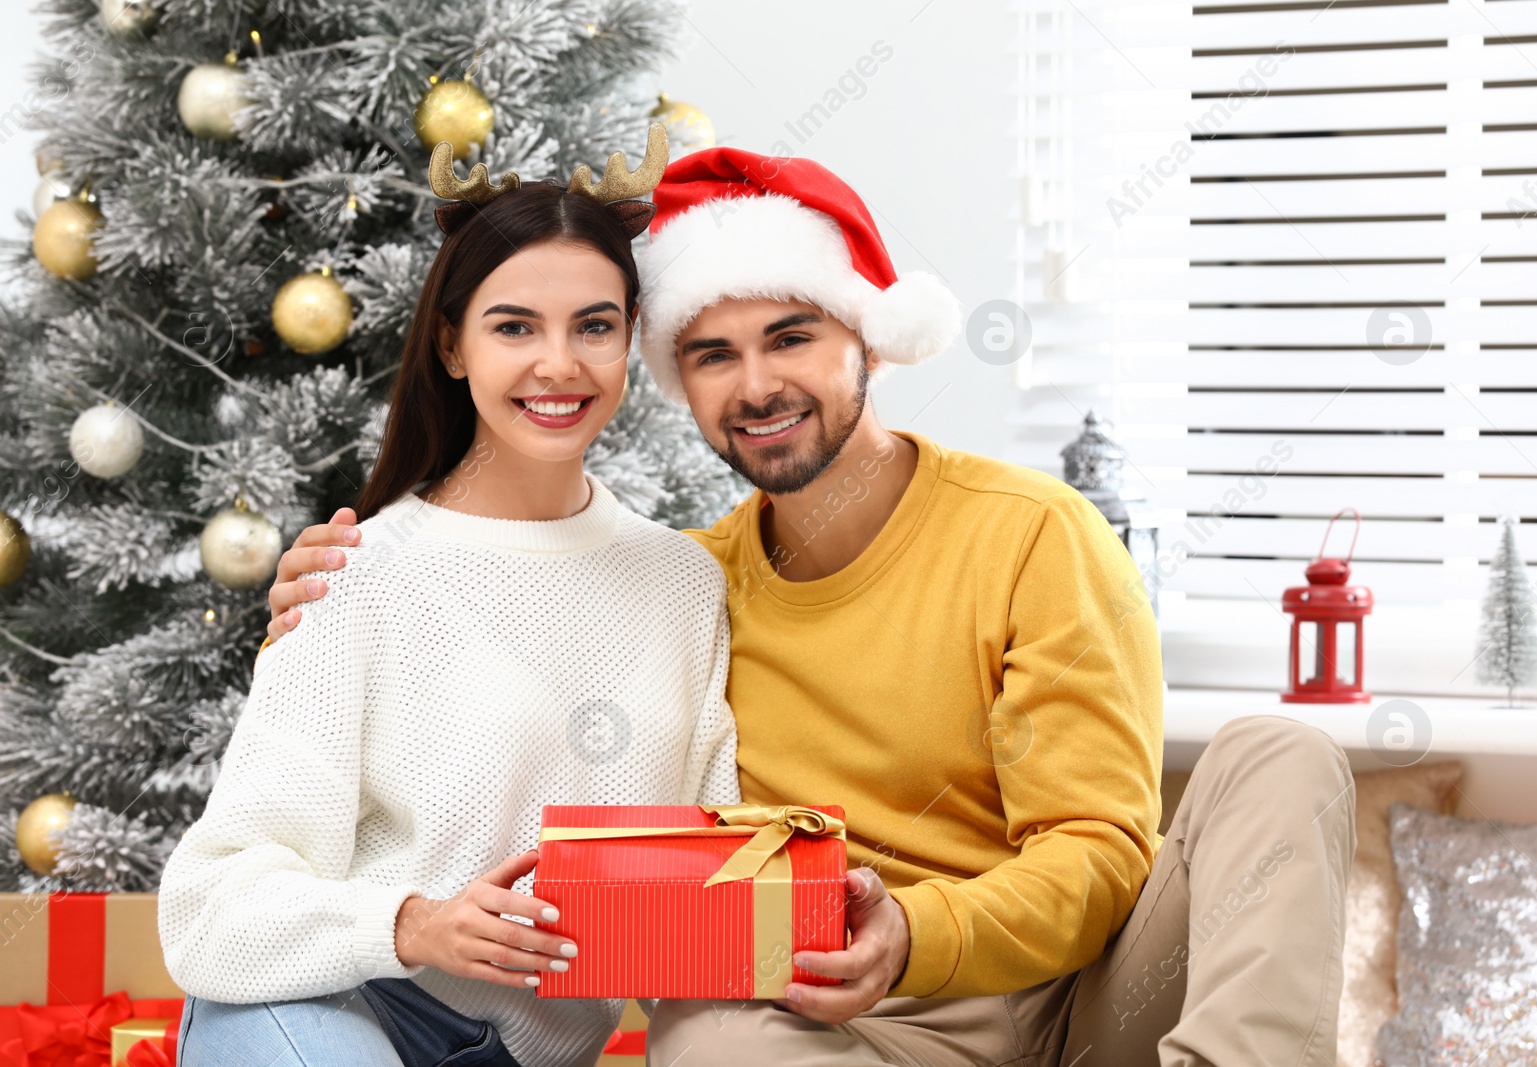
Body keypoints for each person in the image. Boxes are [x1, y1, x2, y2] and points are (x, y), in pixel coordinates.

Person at [266, 147, 1357, 1066]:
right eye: (712, 354)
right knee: (708, 1039)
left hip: (1082, 1000)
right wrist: (335, 593)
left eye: (791, 337)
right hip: (836, 1028)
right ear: (678, 380)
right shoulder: (676, 586)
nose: (755, 386)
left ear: (866, 340)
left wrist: (916, 931)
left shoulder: (1031, 532)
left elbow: (1097, 847)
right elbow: (490, 653)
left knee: (1279, 751)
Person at [158, 129, 739, 1067]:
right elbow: (209, 901)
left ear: (631, 337)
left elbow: (706, 887)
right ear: (452, 345)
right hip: (327, 1007)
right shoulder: (356, 573)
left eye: (594, 326)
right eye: (514, 326)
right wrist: (413, 923)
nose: (559, 364)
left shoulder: (680, 583)